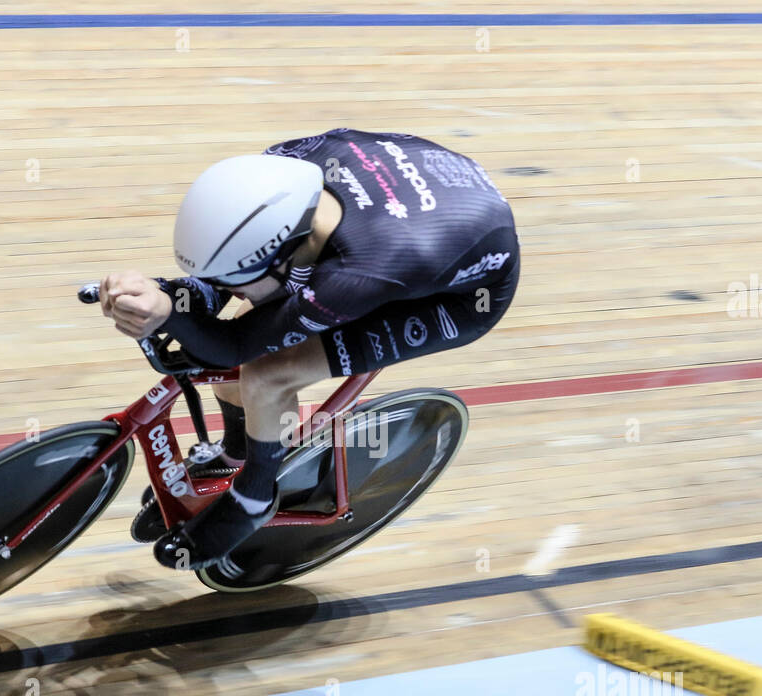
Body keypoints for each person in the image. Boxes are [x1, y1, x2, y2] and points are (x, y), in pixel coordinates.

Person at [98, 128, 520, 570]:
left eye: (235, 283)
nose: (228, 292)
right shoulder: (282, 166)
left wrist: (168, 310)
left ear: (288, 255)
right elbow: (219, 280)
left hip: (462, 294)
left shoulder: (356, 274)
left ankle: (255, 496)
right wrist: (171, 294)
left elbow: (233, 346)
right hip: (420, 205)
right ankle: (237, 450)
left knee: (265, 372)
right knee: (253, 323)